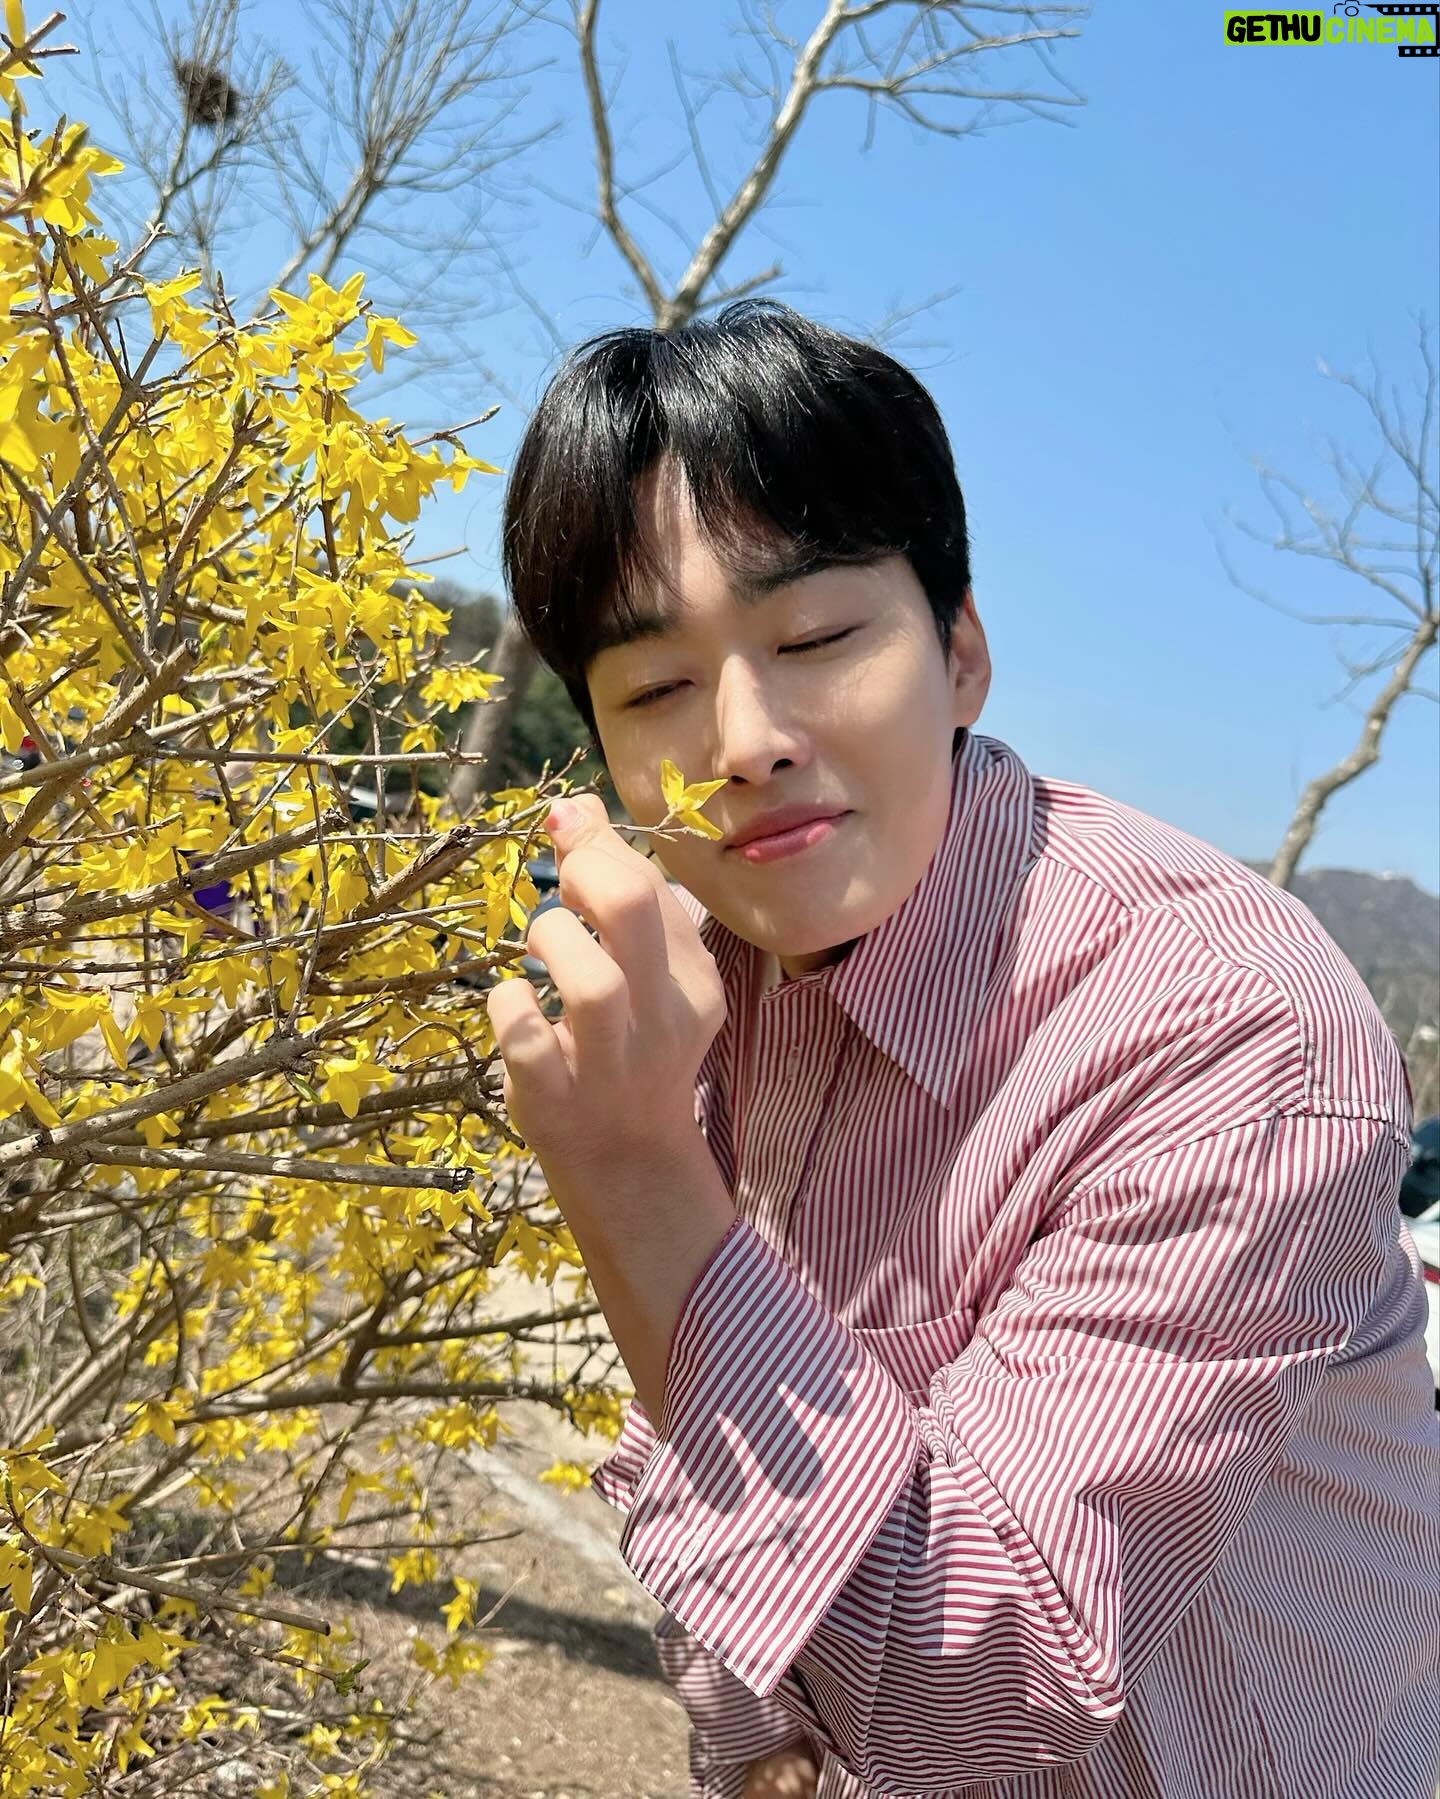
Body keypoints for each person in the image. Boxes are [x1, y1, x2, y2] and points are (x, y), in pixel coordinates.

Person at [482, 301, 1440, 1799]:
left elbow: (976, 1688)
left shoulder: (1224, 1025)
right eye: (655, 688)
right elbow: (705, 1435)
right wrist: (754, 1746)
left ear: (963, 653)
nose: (744, 741)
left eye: (815, 638)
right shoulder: (692, 987)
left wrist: (630, 1173)